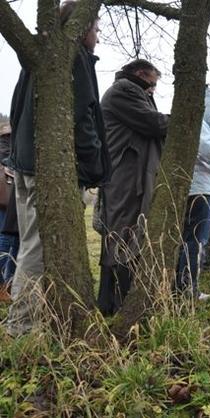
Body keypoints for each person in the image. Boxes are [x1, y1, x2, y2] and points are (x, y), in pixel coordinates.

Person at [4, 0, 111, 335]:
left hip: (26, 163)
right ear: (81, 28)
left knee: (31, 245)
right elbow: (82, 117)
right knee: (37, 247)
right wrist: (93, 164)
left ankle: (36, 319)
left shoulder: (39, 60)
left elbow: (17, 108)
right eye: (95, 27)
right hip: (46, 166)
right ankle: (22, 326)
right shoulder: (72, 59)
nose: (98, 34)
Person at [97, 59, 169, 315]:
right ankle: (114, 304)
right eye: (153, 81)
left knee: (128, 236)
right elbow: (154, 124)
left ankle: (115, 302)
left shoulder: (135, 90)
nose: (154, 88)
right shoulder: (125, 90)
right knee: (121, 236)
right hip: (124, 177)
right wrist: (182, 121)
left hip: (131, 175)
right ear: (141, 73)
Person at [175, 87, 210, 300]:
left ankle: (181, 286)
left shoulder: (192, 121)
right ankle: (188, 290)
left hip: (195, 186)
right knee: (196, 239)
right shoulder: (199, 123)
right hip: (199, 188)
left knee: (189, 238)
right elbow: (205, 148)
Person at [0, 123, 19, 303]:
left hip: (14, 196)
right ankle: (2, 286)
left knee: (16, 241)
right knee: (6, 241)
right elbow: (4, 157)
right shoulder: (7, 134)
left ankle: (10, 284)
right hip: (6, 197)